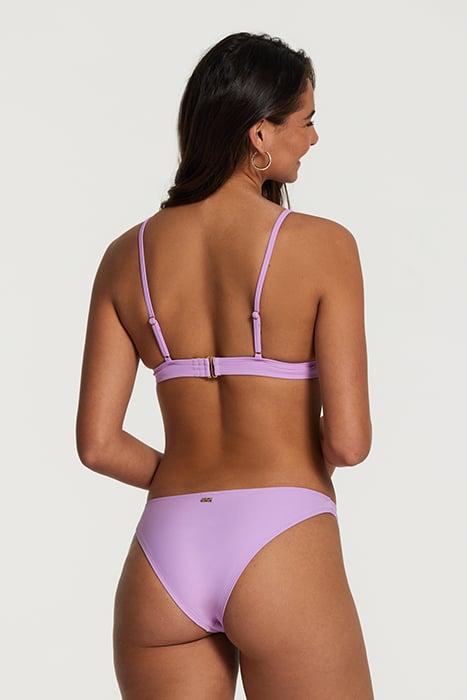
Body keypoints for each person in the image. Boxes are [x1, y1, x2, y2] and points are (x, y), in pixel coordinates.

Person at [76, 31, 374, 699]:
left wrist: (189, 479)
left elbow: (97, 445)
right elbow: (348, 443)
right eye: (305, 120)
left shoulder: (125, 257)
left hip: (165, 552)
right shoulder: (324, 246)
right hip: (282, 540)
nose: (313, 138)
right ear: (259, 132)